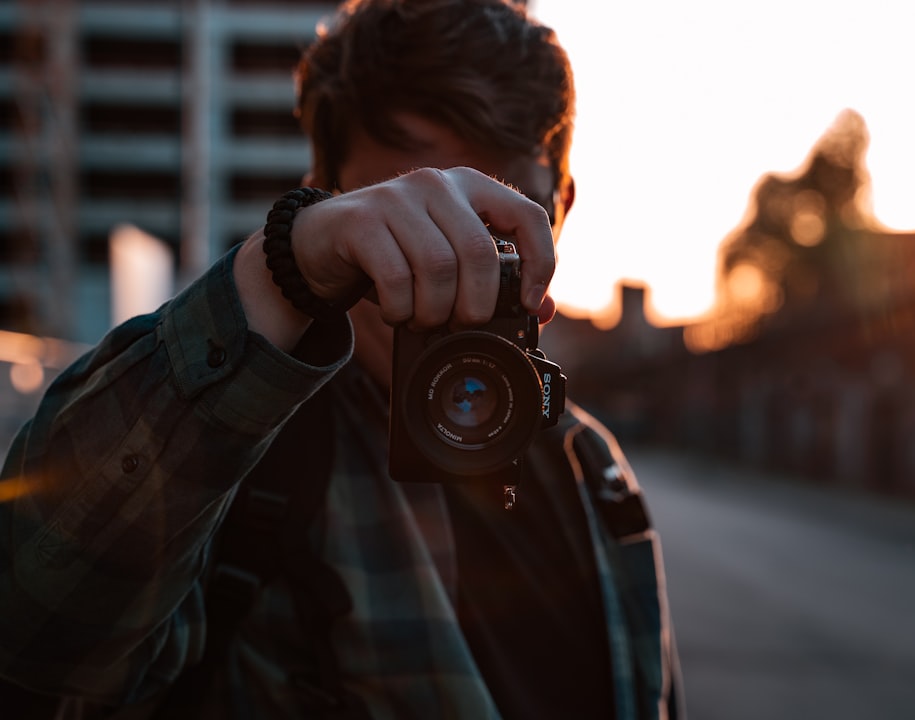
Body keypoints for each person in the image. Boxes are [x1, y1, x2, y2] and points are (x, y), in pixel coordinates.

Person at [0, 0, 682, 717]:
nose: (453, 262)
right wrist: (283, 269)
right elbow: (33, 628)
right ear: (329, 201)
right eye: (404, 214)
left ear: (560, 209)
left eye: (496, 224)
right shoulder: (236, 459)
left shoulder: (593, 467)